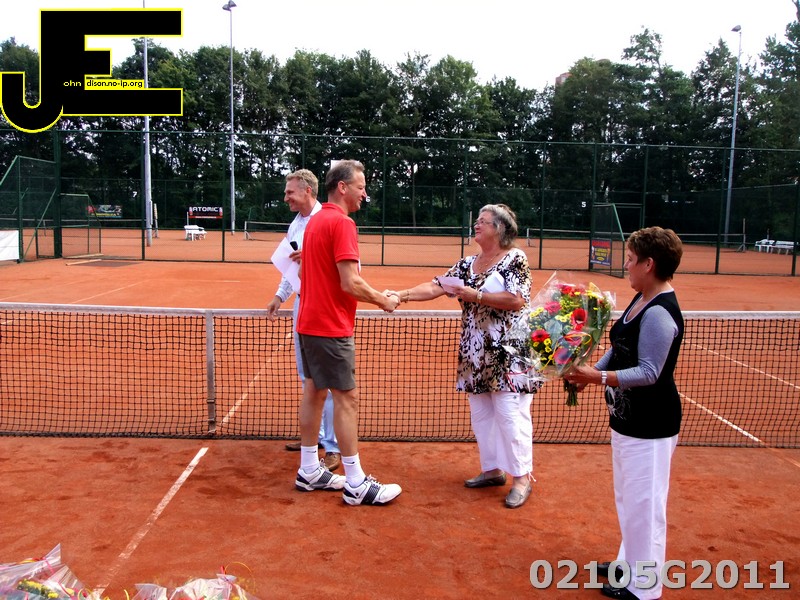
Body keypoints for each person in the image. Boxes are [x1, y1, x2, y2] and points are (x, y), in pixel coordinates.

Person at [389, 204, 539, 509]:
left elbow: (518, 300)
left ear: (499, 229)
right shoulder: (467, 264)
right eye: (477, 220)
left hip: (509, 355)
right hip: (475, 354)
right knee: (482, 416)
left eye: (483, 221)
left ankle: (522, 479)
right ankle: (492, 470)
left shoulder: (515, 259)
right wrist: (399, 295)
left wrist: (477, 295)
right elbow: (435, 286)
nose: (476, 225)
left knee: (510, 416)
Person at [565, 226, 684, 600]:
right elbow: (620, 348)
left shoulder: (659, 312)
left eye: (631, 260)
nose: (626, 266)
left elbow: (649, 372)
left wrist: (597, 377)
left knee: (645, 507)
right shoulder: (641, 298)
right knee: (631, 500)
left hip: (652, 424)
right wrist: (588, 374)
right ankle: (629, 562)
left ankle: (643, 587)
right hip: (628, 421)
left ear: (649, 264)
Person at [294, 159, 403, 506]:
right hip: (330, 326)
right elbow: (350, 282)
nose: (364, 194)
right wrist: (384, 300)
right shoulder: (342, 223)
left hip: (308, 323)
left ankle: (309, 469)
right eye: (360, 186)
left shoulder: (314, 222)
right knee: (346, 398)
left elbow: (314, 274)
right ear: (342, 187)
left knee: (314, 392)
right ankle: (356, 483)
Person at [266, 169, 341, 472]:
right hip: (302, 304)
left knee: (328, 381)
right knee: (307, 377)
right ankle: (315, 438)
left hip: (325, 306)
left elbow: (344, 267)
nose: (286, 197)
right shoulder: (295, 224)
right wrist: (279, 296)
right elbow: (290, 268)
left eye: (290, 192)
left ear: (307, 190)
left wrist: (312, 259)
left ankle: (333, 447)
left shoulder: (329, 220)